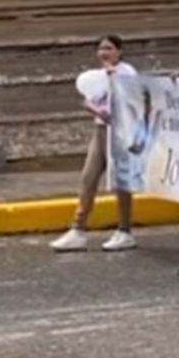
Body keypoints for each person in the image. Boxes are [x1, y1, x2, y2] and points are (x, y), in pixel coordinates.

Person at [51, 35, 139, 253]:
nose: (104, 53)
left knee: (121, 182)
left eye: (109, 48)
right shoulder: (96, 78)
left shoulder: (127, 72)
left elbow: (132, 97)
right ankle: (78, 228)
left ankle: (125, 230)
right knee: (88, 178)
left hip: (120, 133)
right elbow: (90, 100)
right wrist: (94, 109)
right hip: (100, 130)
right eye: (101, 49)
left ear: (119, 51)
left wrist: (113, 78)